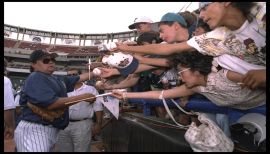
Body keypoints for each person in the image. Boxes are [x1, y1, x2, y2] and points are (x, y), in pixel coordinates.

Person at [114, 2, 266, 89]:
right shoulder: (218, 35)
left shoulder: (261, 13)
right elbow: (168, 50)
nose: (201, 15)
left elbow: (167, 57)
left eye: (204, 8)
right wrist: (125, 49)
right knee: (223, 62)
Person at [111, 51, 265, 112]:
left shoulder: (227, 75)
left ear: (196, 70)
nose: (179, 77)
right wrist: (126, 96)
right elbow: (160, 94)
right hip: (245, 112)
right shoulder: (195, 88)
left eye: (181, 72)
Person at [14, 49, 98, 152]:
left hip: (49, 129)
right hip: (35, 129)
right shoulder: (36, 77)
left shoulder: (54, 78)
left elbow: (78, 78)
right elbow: (52, 104)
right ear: (34, 64)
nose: (51, 62)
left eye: (53, 59)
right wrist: (83, 97)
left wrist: (97, 72)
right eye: (45, 60)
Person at [54, 68, 103, 152]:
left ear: (80, 76)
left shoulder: (90, 89)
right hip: (63, 124)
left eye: (75, 75)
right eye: (69, 75)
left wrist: (98, 124)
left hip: (82, 124)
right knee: (63, 150)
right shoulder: (62, 89)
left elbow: (98, 108)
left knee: (82, 150)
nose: (72, 77)